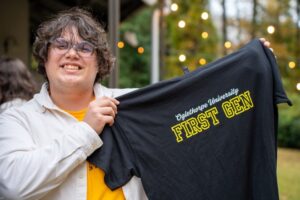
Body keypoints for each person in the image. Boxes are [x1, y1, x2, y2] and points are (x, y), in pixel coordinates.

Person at [0, 7, 271, 200]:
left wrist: (249, 66)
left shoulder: (130, 104)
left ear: (100, 62)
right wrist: (86, 130)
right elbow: (14, 187)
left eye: (85, 48)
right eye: (61, 44)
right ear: (44, 57)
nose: (72, 53)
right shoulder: (17, 119)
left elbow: (195, 103)